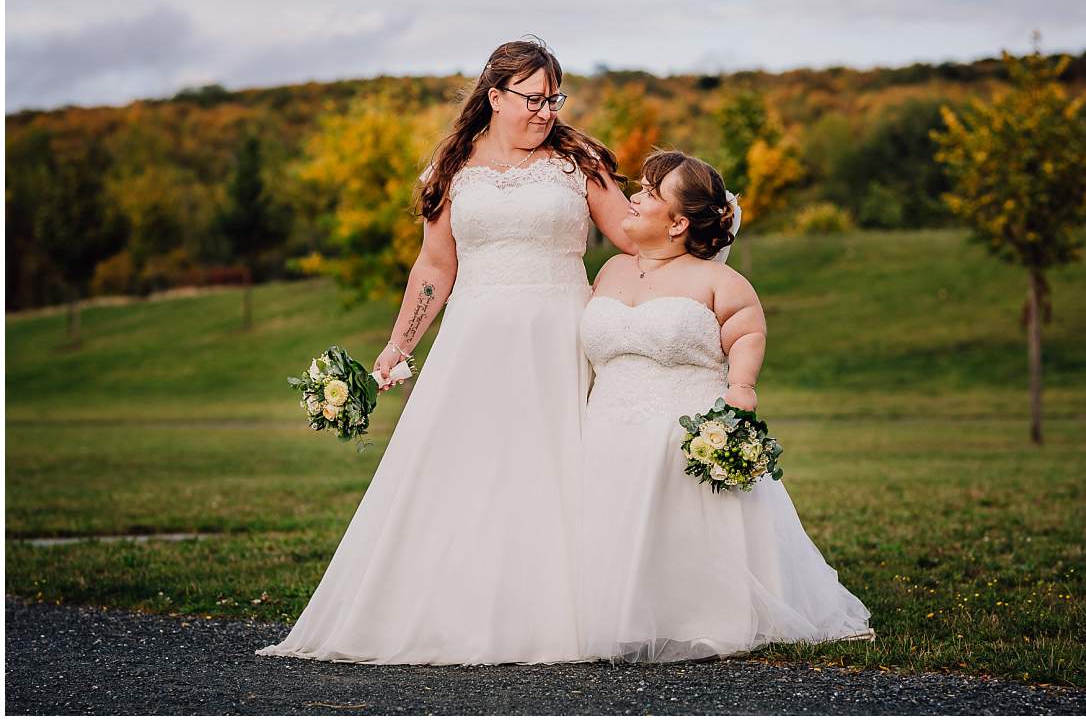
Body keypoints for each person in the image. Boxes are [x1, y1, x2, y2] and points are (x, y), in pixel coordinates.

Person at [256, 37, 637, 665]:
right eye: (534, 99)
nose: (547, 112)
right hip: (476, 340)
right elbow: (435, 266)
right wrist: (398, 346)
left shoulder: (580, 161)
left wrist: (698, 224)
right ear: (495, 97)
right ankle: (456, 608)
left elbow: (626, 233)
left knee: (558, 467)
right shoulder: (452, 171)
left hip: (561, 333)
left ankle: (563, 613)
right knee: (469, 468)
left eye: (555, 99)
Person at [575, 149, 874, 663]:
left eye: (649, 193)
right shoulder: (611, 271)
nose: (635, 197)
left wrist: (742, 391)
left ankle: (695, 614)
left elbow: (747, 331)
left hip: (682, 428)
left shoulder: (717, 281)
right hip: (605, 427)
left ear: (678, 223)